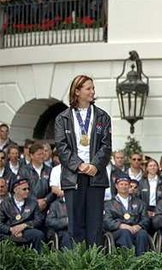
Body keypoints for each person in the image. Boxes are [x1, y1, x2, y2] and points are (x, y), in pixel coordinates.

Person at [54, 75, 112, 246]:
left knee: (95, 225)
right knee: (76, 226)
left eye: (93, 88)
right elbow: (61, 147)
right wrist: (79, 165)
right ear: (77, 91)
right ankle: (77, 262)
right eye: (88, 88)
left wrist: (95, 165)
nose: (93, 91)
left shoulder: (103, 117)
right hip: (73, 177)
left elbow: (106, 146)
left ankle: (95, 261)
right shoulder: (62, 118)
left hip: (96, 177)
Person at [103, 175, 150, 256]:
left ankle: (141, 260)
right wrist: (120, 225)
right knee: (125, 232)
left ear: (129, 186)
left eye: (126, 184)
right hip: (118, 231)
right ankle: (129, 261)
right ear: (116, 186)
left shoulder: (140, 203)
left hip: (135, 229)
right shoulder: (108, 204)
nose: (124, 186)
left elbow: (145, 219)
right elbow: (107, 221)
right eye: (121, 184)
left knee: (142, 233)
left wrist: (139, 226)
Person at [0, 178, 45, 252]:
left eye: (28, 189)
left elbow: (39, 220)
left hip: (26, 230)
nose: (27, 191)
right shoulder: (4, 204)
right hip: (9, 231)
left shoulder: (33, 203)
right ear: (16, 190)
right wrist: (11, 230)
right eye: (24, 189)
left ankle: (38, 259)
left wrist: (24, 225)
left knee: (38, 234)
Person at [18, 142, 55, 212]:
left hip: (46, 206)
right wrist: (35, 201)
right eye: (39, 154)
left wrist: (45, 200)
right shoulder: (24, 171)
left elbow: (53, 189)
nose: (42, 156)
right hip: (29, 207)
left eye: (42, 154)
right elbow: (22, 189)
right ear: (31, 155)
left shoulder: (49, 170)